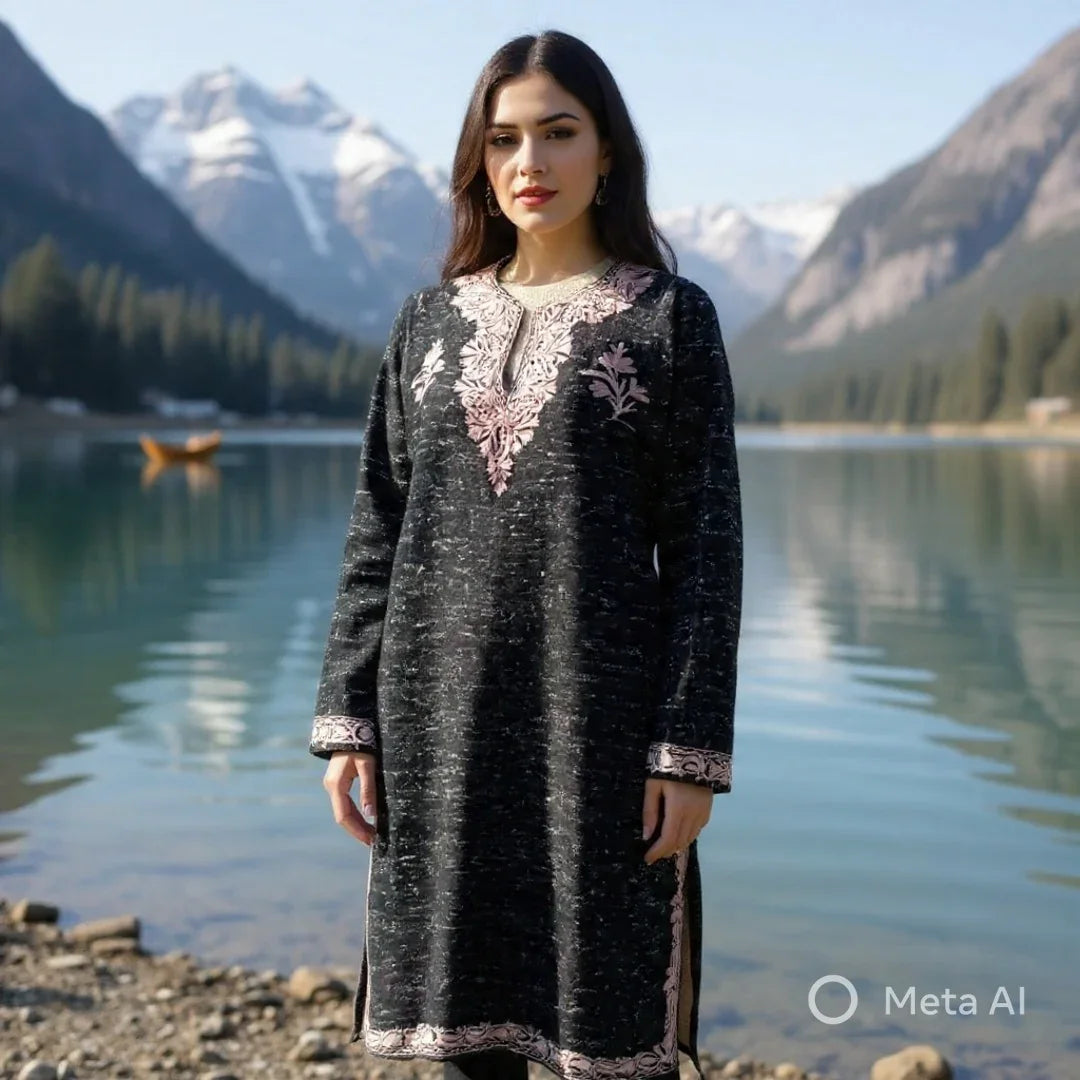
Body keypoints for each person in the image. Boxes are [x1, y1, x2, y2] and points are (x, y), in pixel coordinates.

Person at [308, 28, 743, 1080]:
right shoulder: (428, 324)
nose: (529, 165)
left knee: (610, 1038)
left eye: (558, 133)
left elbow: (705, 552)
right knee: (466, 1039)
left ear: (607, 154)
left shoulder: (668, 324)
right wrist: (348, 721)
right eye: (503, 140)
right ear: (477, 160)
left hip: (596, 735)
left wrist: (687, 756)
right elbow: (378, 528)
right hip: (438, 730)